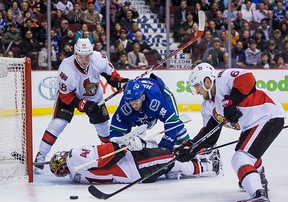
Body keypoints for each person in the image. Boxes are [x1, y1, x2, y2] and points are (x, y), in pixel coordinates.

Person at [174, 63, 286, 202]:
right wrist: (190, 148)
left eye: (197, 86)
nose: (198, 92)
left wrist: (231, 100)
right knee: (246, 152)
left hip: (267, 115)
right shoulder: (207, 107)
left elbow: (248, 78)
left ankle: (259, 197)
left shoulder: (222, 79)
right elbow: (209, 135)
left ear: (207, 81)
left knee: (241, 157)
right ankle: (259, 179)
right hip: (253, 124)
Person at [34, 38, 129, 173]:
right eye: (81, 56)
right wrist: (83, 104)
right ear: (75, 54)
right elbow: (66, 96)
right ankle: (41, 155)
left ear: (91, 53)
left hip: (94, 98)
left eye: (87, 56)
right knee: (58, 123)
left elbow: (112, 76)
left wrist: (120, 82)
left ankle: (110, 156)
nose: (84, 60)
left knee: (103, 128)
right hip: (70, 97)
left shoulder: (98, 58)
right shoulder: (66, 69)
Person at [49, 129, 222, 183]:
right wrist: (123, 145)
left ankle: (205, 159)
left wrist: (121, 144)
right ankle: (208, 164)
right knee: (171, 158)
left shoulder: (76, 176)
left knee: (168, 162)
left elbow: (101, 162)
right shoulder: (74, 157)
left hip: (133, 172)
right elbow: (103, 156)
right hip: (134, 166)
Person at [110, 75, 190, 152]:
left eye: (136, 101)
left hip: (162, 93)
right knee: (129, 116)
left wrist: (167, 141)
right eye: (131, 102)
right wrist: (114, 144)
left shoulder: (154, 100)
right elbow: (116, 127)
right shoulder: (125, 104)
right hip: (144, 104)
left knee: (176, 125)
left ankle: (189, 148)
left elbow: (171, 121)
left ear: (143, 97)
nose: (134, 105)